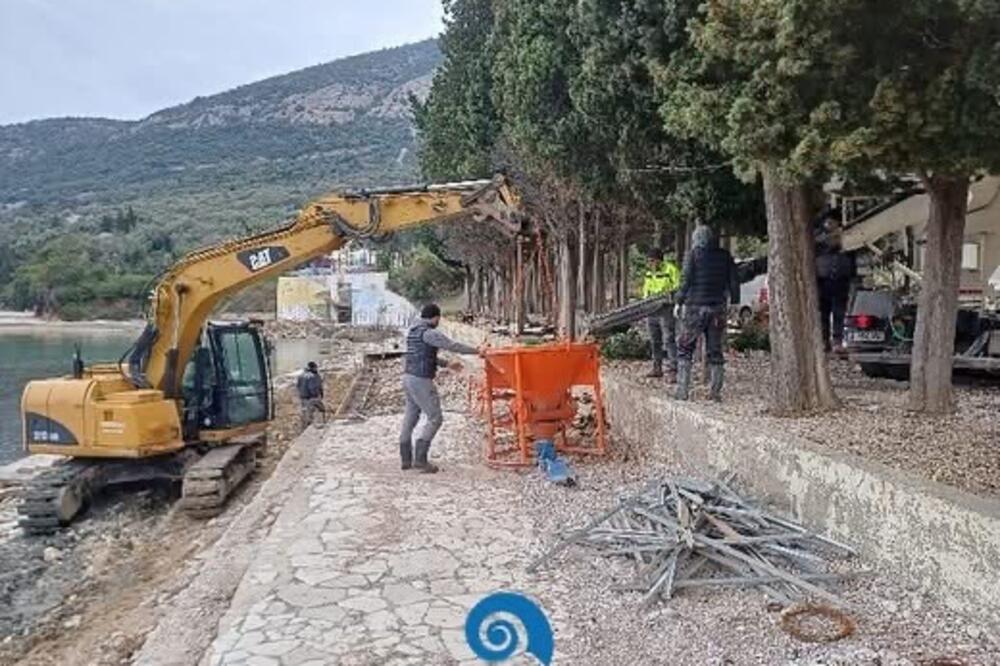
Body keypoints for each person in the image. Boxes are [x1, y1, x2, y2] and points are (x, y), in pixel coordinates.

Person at [399, 303, 480, 473]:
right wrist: (478, 351)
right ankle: (420, 459)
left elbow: (422, 355)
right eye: (438, 319)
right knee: (435, 418)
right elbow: (453, 345)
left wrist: (446, 363)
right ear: (435, 317)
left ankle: (406, 458)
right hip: (421, 379)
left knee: (411, 416)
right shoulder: (430, 333)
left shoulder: (413, 331)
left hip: (408, 377)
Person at [674, 225, 740, 402]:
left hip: (695, 308)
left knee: (685, 348)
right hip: (717, 309)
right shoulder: (725, 256)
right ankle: (715, 392)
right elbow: (734, 281)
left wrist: (679, 302)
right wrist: (735, 302)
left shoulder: (693, 255)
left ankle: (682, 391)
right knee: (715, 350)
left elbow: (685, 280)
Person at [641, 247, 682, 378]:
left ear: (659, 260)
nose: (650, 264)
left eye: (652, 261)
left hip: (666, 309)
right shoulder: (649, 272)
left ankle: (673, 370)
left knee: (669, 338)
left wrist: (672, 298)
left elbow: (678, 287)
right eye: (649, 261)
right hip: (652, 308)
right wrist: (645, 300)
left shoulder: (671, 270)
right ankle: (656, 368)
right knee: (654, 339)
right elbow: (646, 288)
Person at [816, 232, 856, 353]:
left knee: (839, 313)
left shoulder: (847, 248)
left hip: (841, 283)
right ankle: (824, 341)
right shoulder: (819, 245)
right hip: (823, 283)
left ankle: (837, 341)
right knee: (824, 314)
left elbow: (852, 265)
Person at [297, 361, 326, 430]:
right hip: (312, 397)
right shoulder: (314, 376)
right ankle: (319, 425)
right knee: (321, 409)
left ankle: (305, 427)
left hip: (303, 398)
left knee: (306, 413)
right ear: (314, 367)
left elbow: (298, 386)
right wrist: (319, 395)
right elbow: (313, 388)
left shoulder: (301, 375)